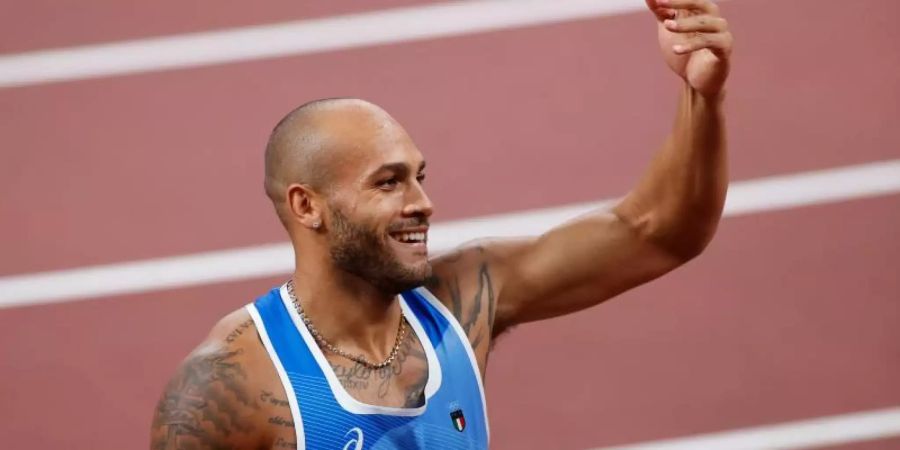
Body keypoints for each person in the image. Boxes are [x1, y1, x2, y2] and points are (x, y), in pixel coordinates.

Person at [150, 1, 733, 448]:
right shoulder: (227, 385)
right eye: (388, 182)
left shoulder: (461, 301)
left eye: (419, 176)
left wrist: (701, 95)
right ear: (307, 207)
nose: (423, 202)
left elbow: (659, 232)